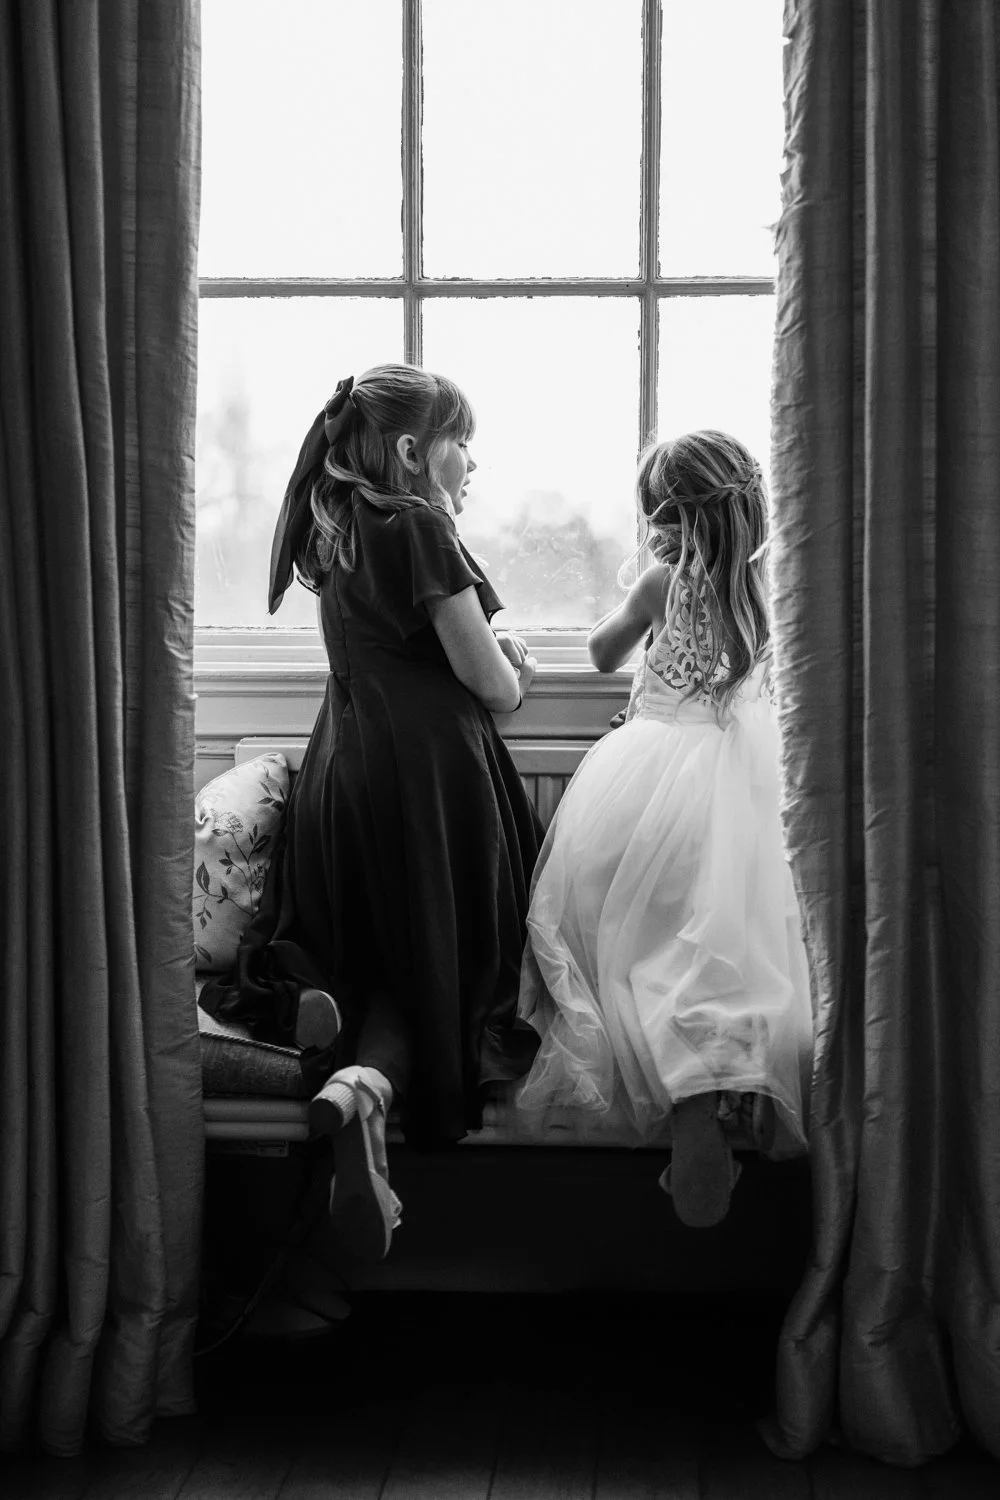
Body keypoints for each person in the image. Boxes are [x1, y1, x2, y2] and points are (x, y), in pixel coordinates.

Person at [201, 363, 542, 1261]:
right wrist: (515, 662)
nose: (471, 463)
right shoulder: (419, 525)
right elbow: (490, 683)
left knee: (377, 949)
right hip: (431, 774)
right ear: (411, 450)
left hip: (344, 763)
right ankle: (378, 1082)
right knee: (456, 958)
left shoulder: (335, 522)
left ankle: (355, 1072)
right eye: (461, 444)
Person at [515, 430, 814, 1228]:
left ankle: (688, 1105)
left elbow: (602, 652)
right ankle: (727, 1093)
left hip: (643, 783)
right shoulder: (768, 590)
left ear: (663, 514)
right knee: (726, 952)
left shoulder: (660, 582)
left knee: (634, 952)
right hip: (738, 788)